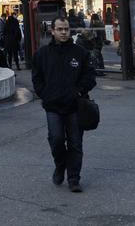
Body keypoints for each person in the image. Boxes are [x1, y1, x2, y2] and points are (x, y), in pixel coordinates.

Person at [32, 16, 97, 193]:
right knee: (57, 139)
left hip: (75, 106)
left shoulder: (80, 52)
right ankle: (60, 166)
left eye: (66, 29)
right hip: (52, 106)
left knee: (75, 143)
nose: (63, 32)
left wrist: (78, 92)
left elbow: (90, 77)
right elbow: (37, 78)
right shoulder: (42, 54)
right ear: (52, 31)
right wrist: (45, 95)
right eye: (60, 29)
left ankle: (74, 178)